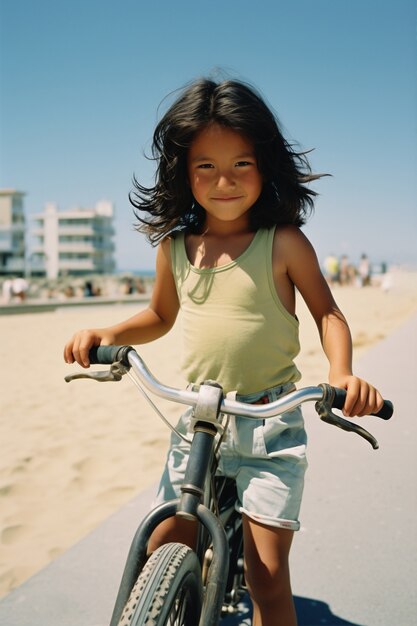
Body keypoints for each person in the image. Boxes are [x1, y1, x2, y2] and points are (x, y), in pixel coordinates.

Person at [64, 78, 384, 626]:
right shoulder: (175, 247)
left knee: (267, 576)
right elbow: (160, 316)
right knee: (161, 541)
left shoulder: (283, 242)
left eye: (241, 164)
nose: (224, 181)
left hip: (270, 423)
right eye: (205, 166)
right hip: (199, 416)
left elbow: (328, 314)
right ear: (184, 174)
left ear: (266, 165)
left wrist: (343, 373)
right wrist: (108, 336)